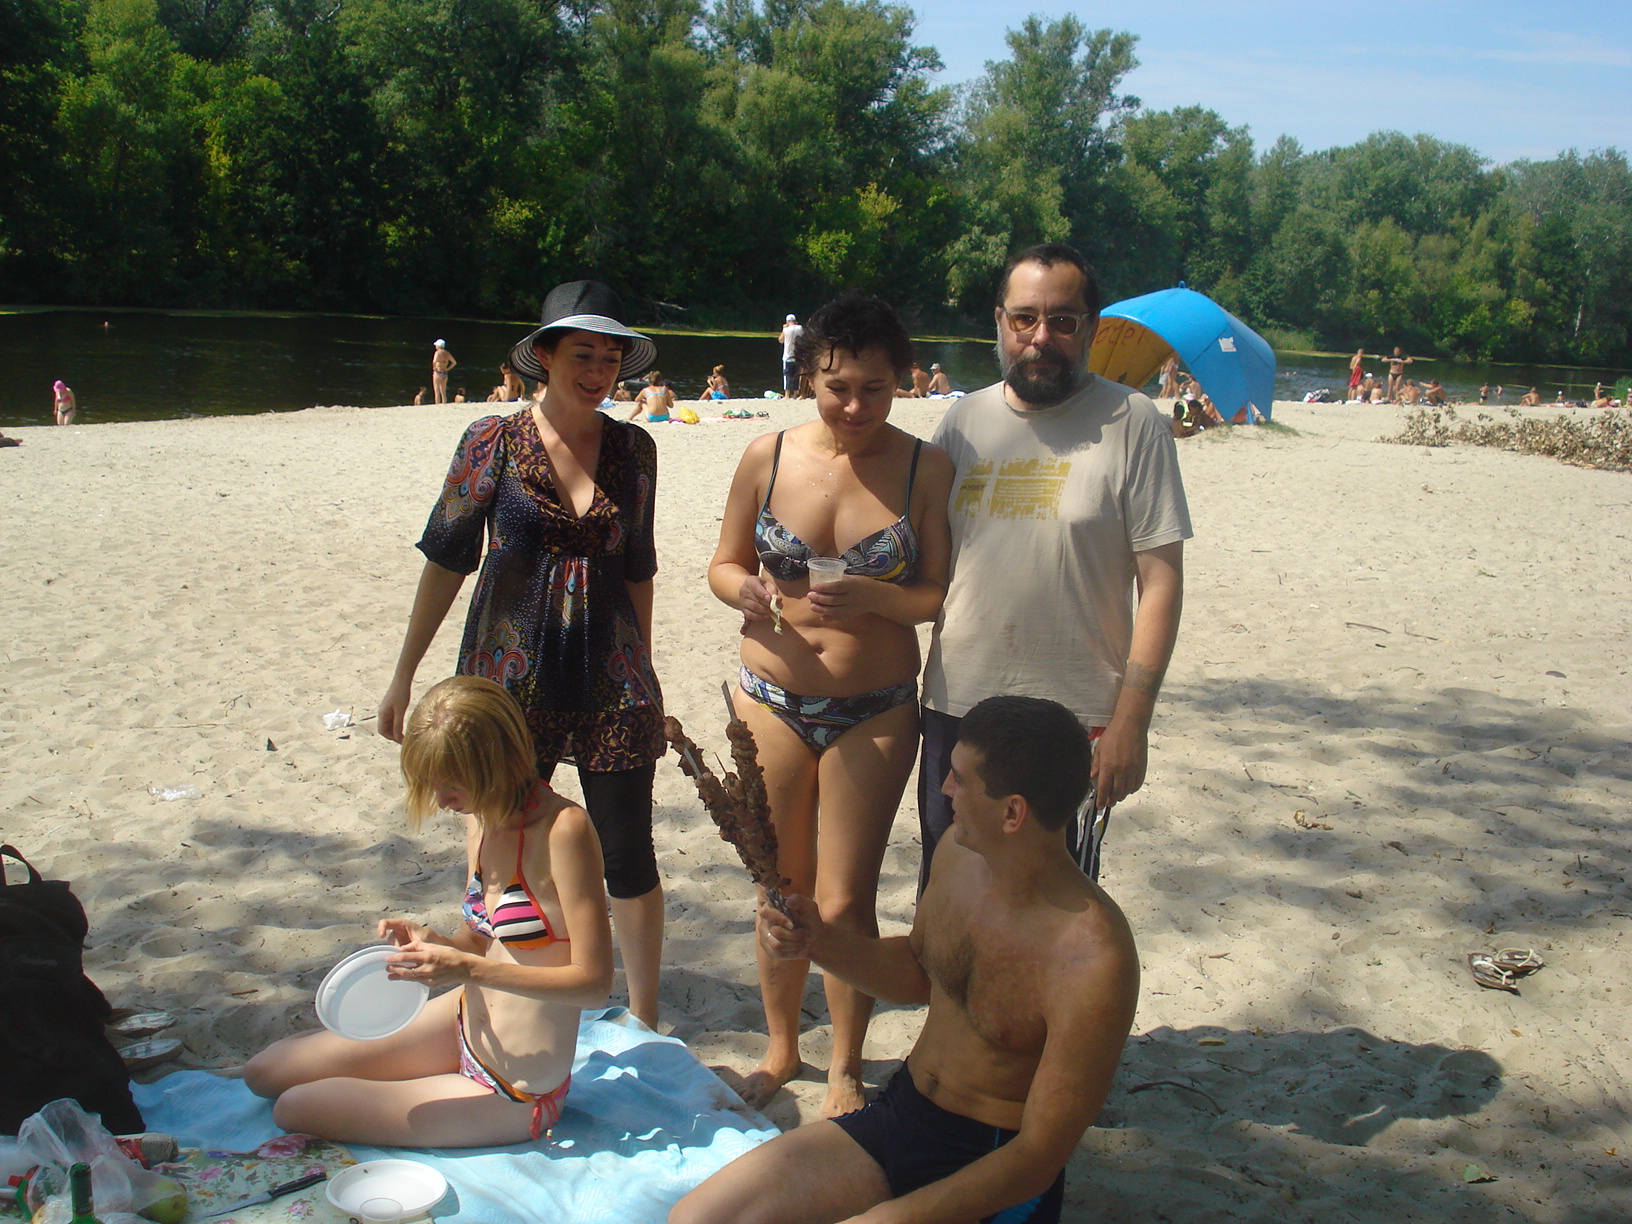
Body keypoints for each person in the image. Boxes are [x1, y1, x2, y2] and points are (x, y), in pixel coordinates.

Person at [671, 695, 1139, 1224]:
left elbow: (1038, 1159)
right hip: (906, 1113)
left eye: (960, 779)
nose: (945, 789)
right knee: (698, 1219)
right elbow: (920, 972)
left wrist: (890, 1218)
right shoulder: (959, 856)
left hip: (996, 1162)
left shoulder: (1094, 959)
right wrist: (817, 942)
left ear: (1013, 812)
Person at [378, 281, 668, 1027]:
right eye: (582, 354)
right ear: (544, 356)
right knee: (498, 841)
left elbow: (638, 567)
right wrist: (404, 676)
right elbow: (446, 559)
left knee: (627, 852)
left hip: (611, 673)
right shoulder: (491, 441)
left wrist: (645, 667)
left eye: (610, 358)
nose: (598, 371)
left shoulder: (636, 449)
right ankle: (496, 978)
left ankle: (643, 1018)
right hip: (507, 680)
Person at [708, 290, 954, 1115]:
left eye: (874, 389)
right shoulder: (766, 456)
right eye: (837, 387)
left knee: (846, 900)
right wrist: (743, 590)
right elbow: (723, 563)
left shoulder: (925, 468)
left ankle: (845, 1063)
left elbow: (934, 593)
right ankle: (781, 1047)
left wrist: (878, 599)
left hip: (874, 706)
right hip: (770, 698)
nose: (854, 407)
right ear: (808, 375)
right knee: (780, 891)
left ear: (902, 381)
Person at [919, 243, 1190, 891]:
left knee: (1047, 911)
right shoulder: (963, 420)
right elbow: (926, 560)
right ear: (1000, 323)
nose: (1041, 337)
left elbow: (1161, 584)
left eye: (1062, 320)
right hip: (957, 704)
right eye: (1025, 318)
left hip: (1073, 719)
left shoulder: (1134, 423)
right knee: (947, 894)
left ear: (1091, 328)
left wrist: (1131, 721)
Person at [245, 676, 613, 1146]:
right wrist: (436, 944)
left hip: (513, 1091)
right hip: (462, 1025)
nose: (441, 801)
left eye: (451, 785)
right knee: (265, 1073)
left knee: (294, 1106)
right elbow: (478, 942)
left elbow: (594, 986)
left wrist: (467, 969)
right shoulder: (480, 819)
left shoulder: (563, 829)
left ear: (493, 765)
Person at [780, 314, 805, 396]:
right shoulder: (800, 328)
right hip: (797, 356)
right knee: (796, 375)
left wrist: (783, 329)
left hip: (787, 356)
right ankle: (795, 393)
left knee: (786, 375)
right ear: (795, 321)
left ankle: (787, 394)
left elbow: (780, 340)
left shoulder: (786, 329)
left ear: (787, 321)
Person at [432, 340, 458, 404]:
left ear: (438, 346)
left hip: (438, 372)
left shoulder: (437, 353)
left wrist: (434, 368)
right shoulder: (447, 353)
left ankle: (437, 404)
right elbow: (454, 362)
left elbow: (434, 361)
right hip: (445, 372)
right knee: (443, 391)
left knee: (437, 391)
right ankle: (444, 403)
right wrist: (447, 369)